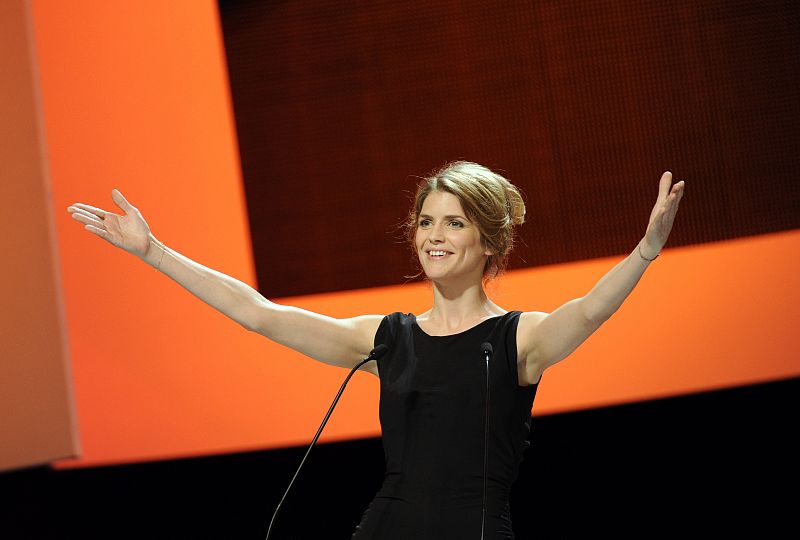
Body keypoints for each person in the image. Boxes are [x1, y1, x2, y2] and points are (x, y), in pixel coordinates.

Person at [67, 161, 685, 538]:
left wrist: (647, 249)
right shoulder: (388, 338)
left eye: (454, 222)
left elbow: (591, 310)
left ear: (491, 242)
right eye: (426, 222)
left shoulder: (518, 340)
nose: (434, 236)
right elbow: (260, 314)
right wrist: (154, 252)